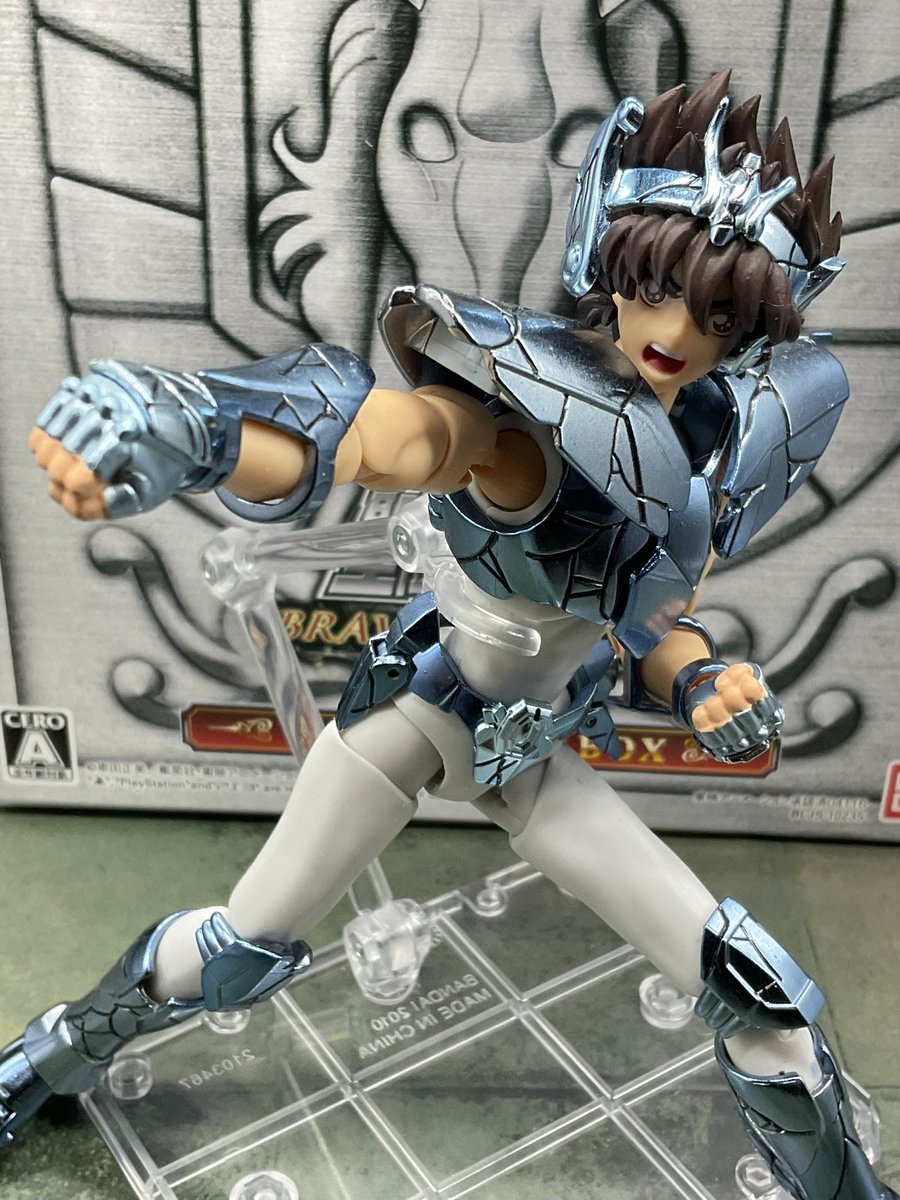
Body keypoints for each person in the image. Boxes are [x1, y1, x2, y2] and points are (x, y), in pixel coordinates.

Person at [5, 70, 893, 1200]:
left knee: (759, 994)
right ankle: (45, 1056)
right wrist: (196, 428)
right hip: (416, 716)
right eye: (659, 289)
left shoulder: (713, 447)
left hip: (534, 749)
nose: (677, 331)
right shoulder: (531, 413)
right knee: (240, 949)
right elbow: (392, 438)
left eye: (718, 315)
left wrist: (698, 678)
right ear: (612, 262)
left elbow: (643, 617)